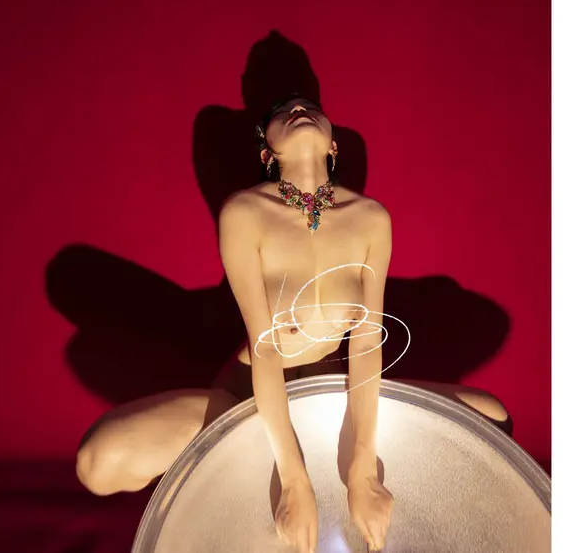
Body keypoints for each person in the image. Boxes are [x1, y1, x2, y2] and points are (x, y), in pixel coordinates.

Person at [76, 95, 510, 552]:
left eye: (310, 108)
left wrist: (363, 471)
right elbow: (265, 346)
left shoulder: (370, 219)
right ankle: (244, 470)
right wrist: (293, 479)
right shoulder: (244, 213)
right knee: (96, 463)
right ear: (268, 153)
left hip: (331, 394)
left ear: (333, 145)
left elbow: (367, 342)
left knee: (493, 420)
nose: (298, 110)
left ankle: (275, 473)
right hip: (250, 397)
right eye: (284, 111)